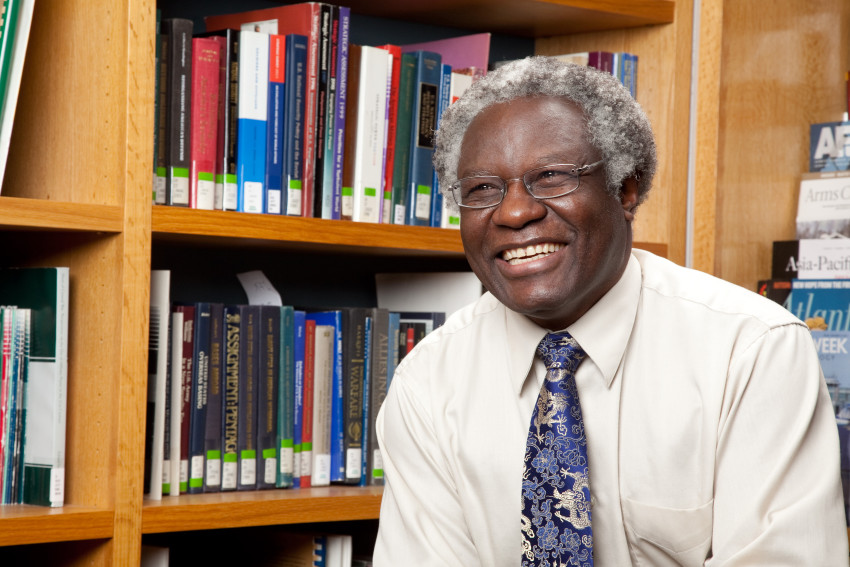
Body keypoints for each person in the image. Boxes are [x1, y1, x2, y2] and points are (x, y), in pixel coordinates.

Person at [373, 56, 848, 566]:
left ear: (626, 189)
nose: (514, 212)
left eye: (551, 177)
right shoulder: (428, 384)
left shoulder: (751, 351)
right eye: (482, 189)